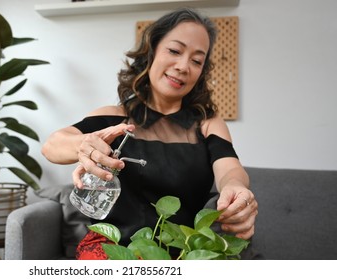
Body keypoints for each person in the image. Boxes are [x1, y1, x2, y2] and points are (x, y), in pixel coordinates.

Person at [42, 8, 258, 259]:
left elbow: (230, 169)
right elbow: (52, 145)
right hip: (110, 248)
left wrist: (236, 187)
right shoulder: (114, 116)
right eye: (175, 51)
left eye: (197, 61)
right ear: (152, 51)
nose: (183, 66)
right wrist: (83, 144)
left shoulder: (208, 123)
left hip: (182, 251)